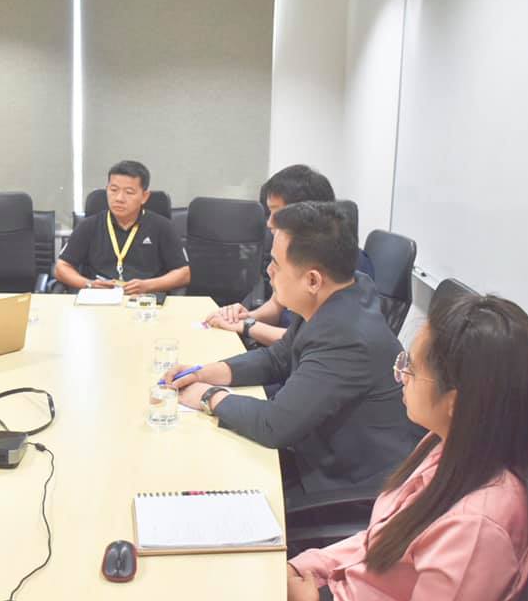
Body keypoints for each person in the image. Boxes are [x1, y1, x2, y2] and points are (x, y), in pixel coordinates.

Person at [286, 294, 528, 601]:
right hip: (339, 593)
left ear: (455, 403)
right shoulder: (447, 444)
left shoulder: (476, 529)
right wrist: (303, 567)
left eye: (410, 367)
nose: (400, 375)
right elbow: (378, 540)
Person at [164, 201, 421, 500]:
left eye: (276, 263)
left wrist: (208, 395)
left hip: (347, 488)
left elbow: (275, 425)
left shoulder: (347, 338)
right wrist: (203, 373)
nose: (268, 271)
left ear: (312, 280)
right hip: (314, 451)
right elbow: (278, 358)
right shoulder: (339, 292)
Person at [205, 164, 374, 347]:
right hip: (280, 351)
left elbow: (317, 340)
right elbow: (276, 306)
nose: (269, 223)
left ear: (308, 212)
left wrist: (248, 326)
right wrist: (244, 317)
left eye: (276, 212)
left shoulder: (346, 263)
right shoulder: (291, 252)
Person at [54, 160, 190, 295]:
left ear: (144, 196)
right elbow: (61, 268)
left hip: (145, 298)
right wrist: (89, 284)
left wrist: (148, 285)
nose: (119, 198)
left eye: (129, 192)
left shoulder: (162, 227)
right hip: (99, 298)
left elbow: (183, 273)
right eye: (113, 190)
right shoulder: (89, 225)